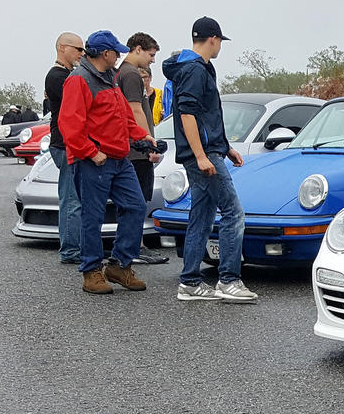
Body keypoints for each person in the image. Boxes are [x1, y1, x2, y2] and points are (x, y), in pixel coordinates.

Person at [167, 17, 256, 304]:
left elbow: (208, 115)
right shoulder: (194, 70)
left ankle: (190, 282)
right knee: (233, 213)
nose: (220, 47)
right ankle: (228, 280)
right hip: (202, 156)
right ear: (213, 39)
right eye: (219, 42)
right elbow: (188, 114)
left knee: (202, 215)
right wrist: (202, 155)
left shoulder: (199, 68)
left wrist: (225, 146)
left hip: (209, 152)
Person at [58, 30, 152, 295]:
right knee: (92, 217)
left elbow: (122, 115)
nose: (120, 55)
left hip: (119, 158)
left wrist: (141, 135)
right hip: (95, 161)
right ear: (106, 53)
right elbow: (69, 124)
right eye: (116, 51)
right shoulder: (79, 80)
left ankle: (120, 265)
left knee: (135, 206)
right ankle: (91, 272)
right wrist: (90, 152)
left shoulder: (110, 77)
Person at [117, 32, 169, 265]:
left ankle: (131, 247)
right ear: (137, 49)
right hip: (136, 151)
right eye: (151, 54)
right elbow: (135, 110)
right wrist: (148, 142)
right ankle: (135, 248)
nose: (152, 60)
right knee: (137, 200)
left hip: (131, 147)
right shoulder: (130, 75)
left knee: (133, 200)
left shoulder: (121, 73)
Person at [45, 31, 84, 265]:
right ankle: (70, 250)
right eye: (78, 49)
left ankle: (74, 246)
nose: (82, 53)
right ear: (62, 48)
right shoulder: (58, 76)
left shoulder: (66, 74)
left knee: (73, 198)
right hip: (65, 144)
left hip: (66, 143)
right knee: (71, 200)